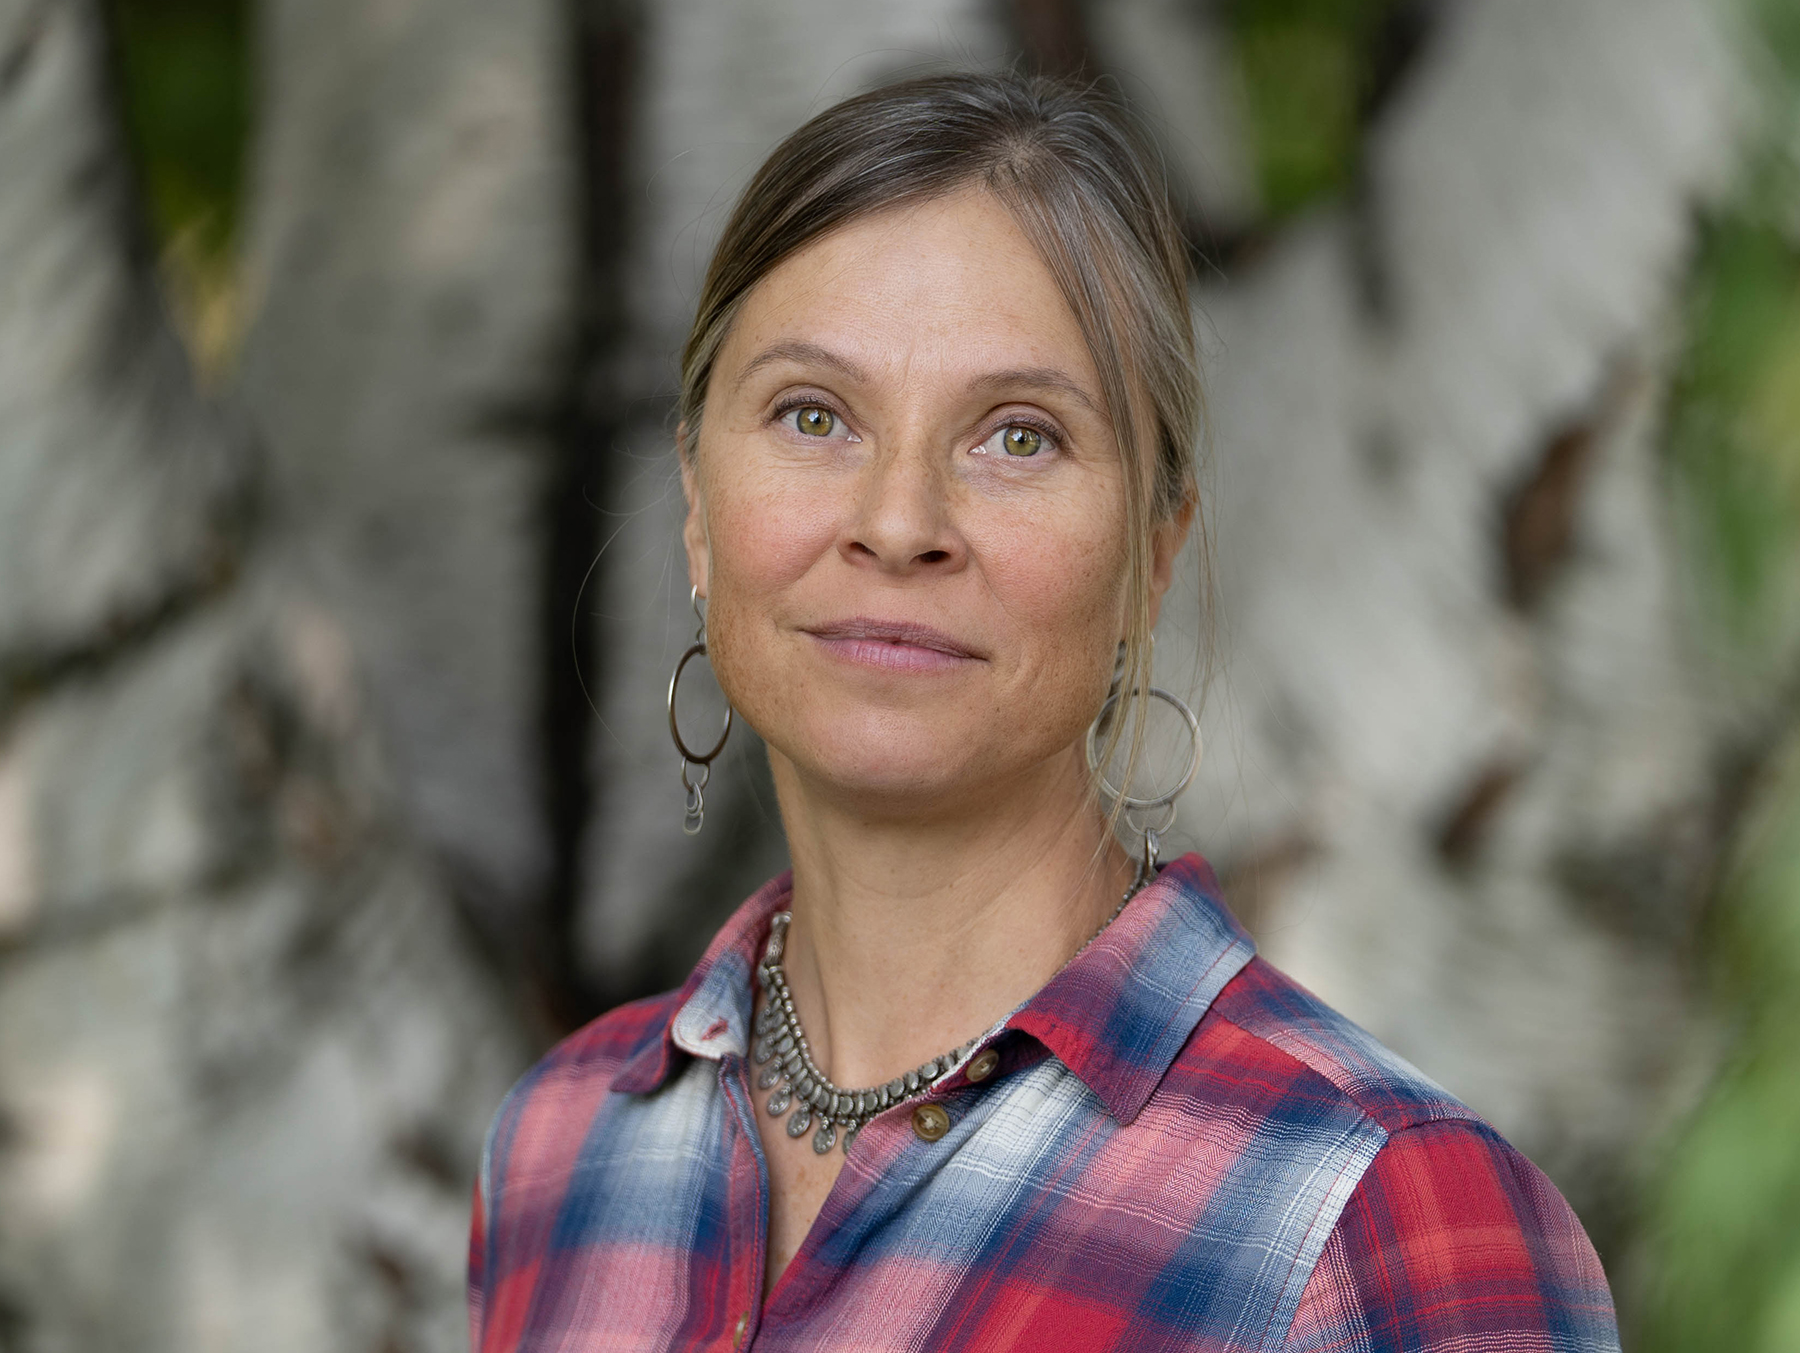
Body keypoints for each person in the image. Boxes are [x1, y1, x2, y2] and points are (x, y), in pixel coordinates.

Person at [467, 72, 1619, 1351]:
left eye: (1017, 437)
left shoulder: (1388, 1217)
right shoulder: (558, 1154)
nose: (898, 524)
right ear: (696, 506)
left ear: (1154, 549)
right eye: (812, 415)